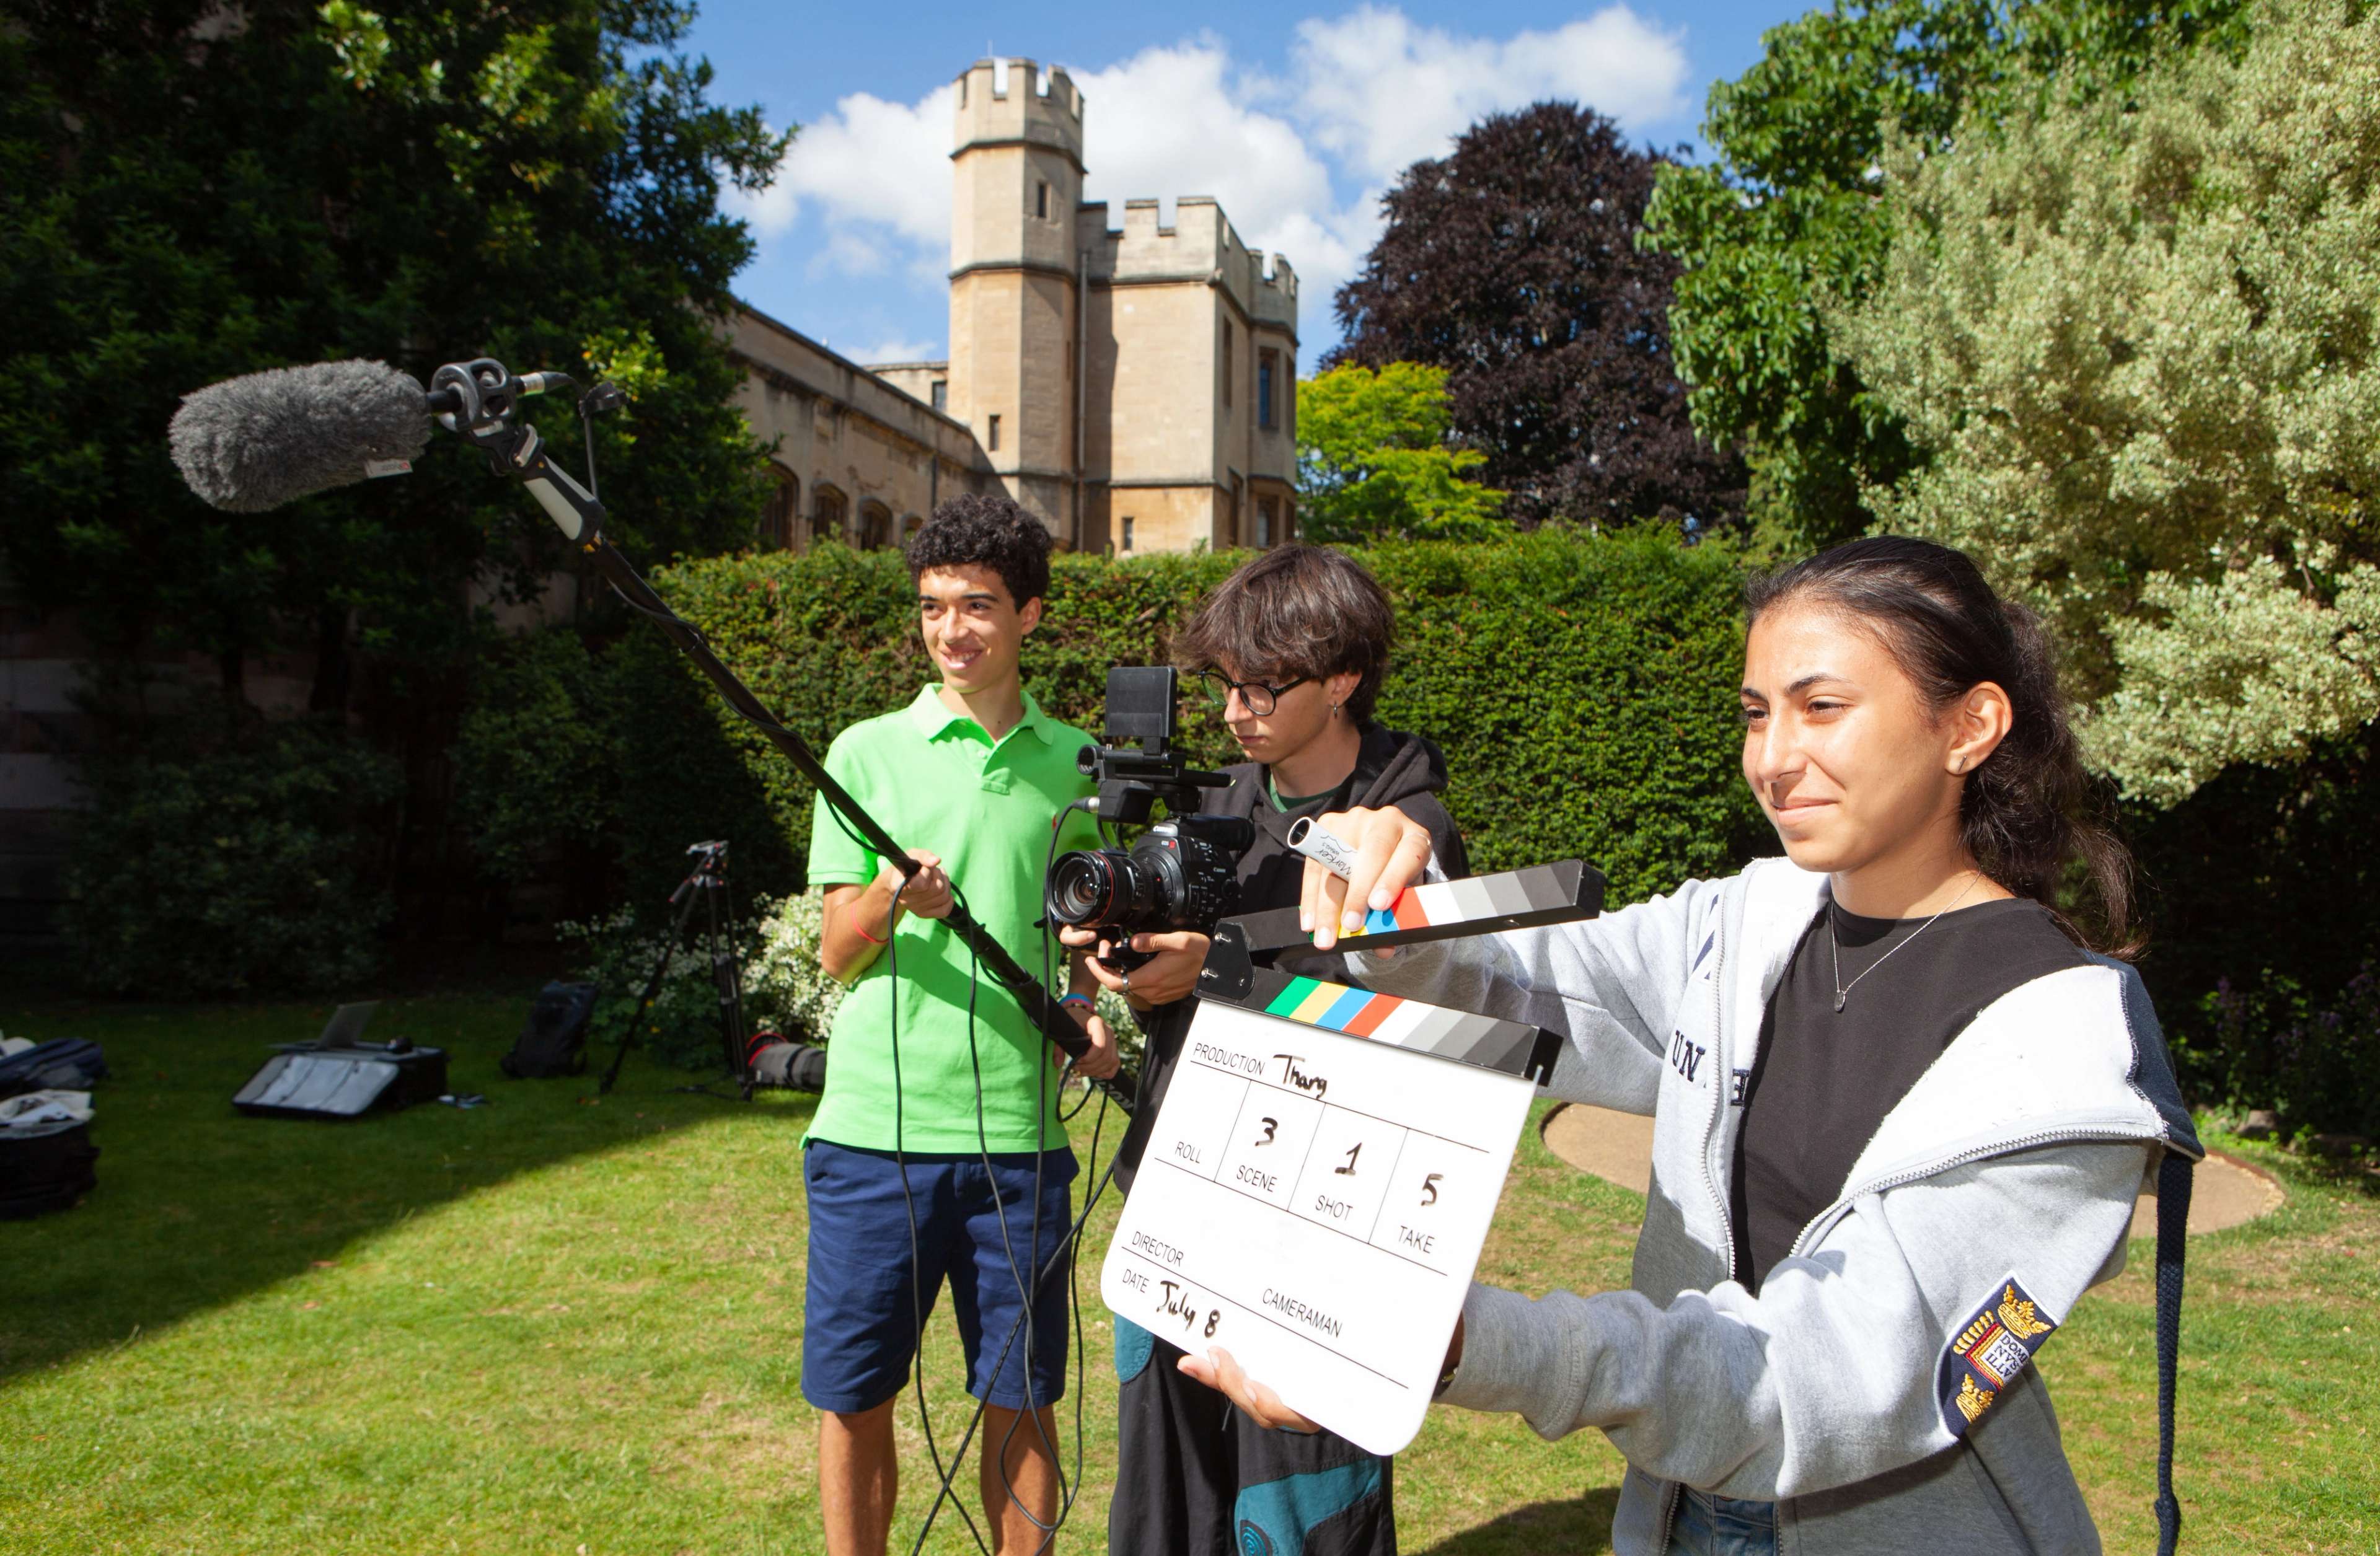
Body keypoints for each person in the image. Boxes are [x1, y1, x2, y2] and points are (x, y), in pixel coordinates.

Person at [1185, 537, 2203, 1555]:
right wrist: (1400, 917)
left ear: (1971, 726)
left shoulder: (2065, 1046)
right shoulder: (1746, 921)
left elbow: (1816, 1381)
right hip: (1676, 1519)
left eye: (1822, 708)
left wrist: (1451, 1339)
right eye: (1758, 713)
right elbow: (1518, 988)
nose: (1772, 757)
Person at [1060, 543, 1470, 1556]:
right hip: (1177, 1186)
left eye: (1263, 686)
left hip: (1319, 1220)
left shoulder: (1400, 831)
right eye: (1225, 685)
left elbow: (1393, 1031)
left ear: (1341, 681)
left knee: (1298, 1509)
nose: (1237, 710)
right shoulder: (1215, 809)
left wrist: (1211, 970)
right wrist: (1124, 962)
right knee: (1165, 1497)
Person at [801, 494, 1121, 1556]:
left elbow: (1089, 941)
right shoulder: (864, 754)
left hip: (1020, 1147)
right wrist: (892, 897)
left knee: (1022, 1399)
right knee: (854, 1398)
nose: (953, 632)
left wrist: (1085, 1009)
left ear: (1029, 613)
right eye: (934, 608)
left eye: (978, 606)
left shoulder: (1081, 766)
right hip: (869, 1139)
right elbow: (835, 952)